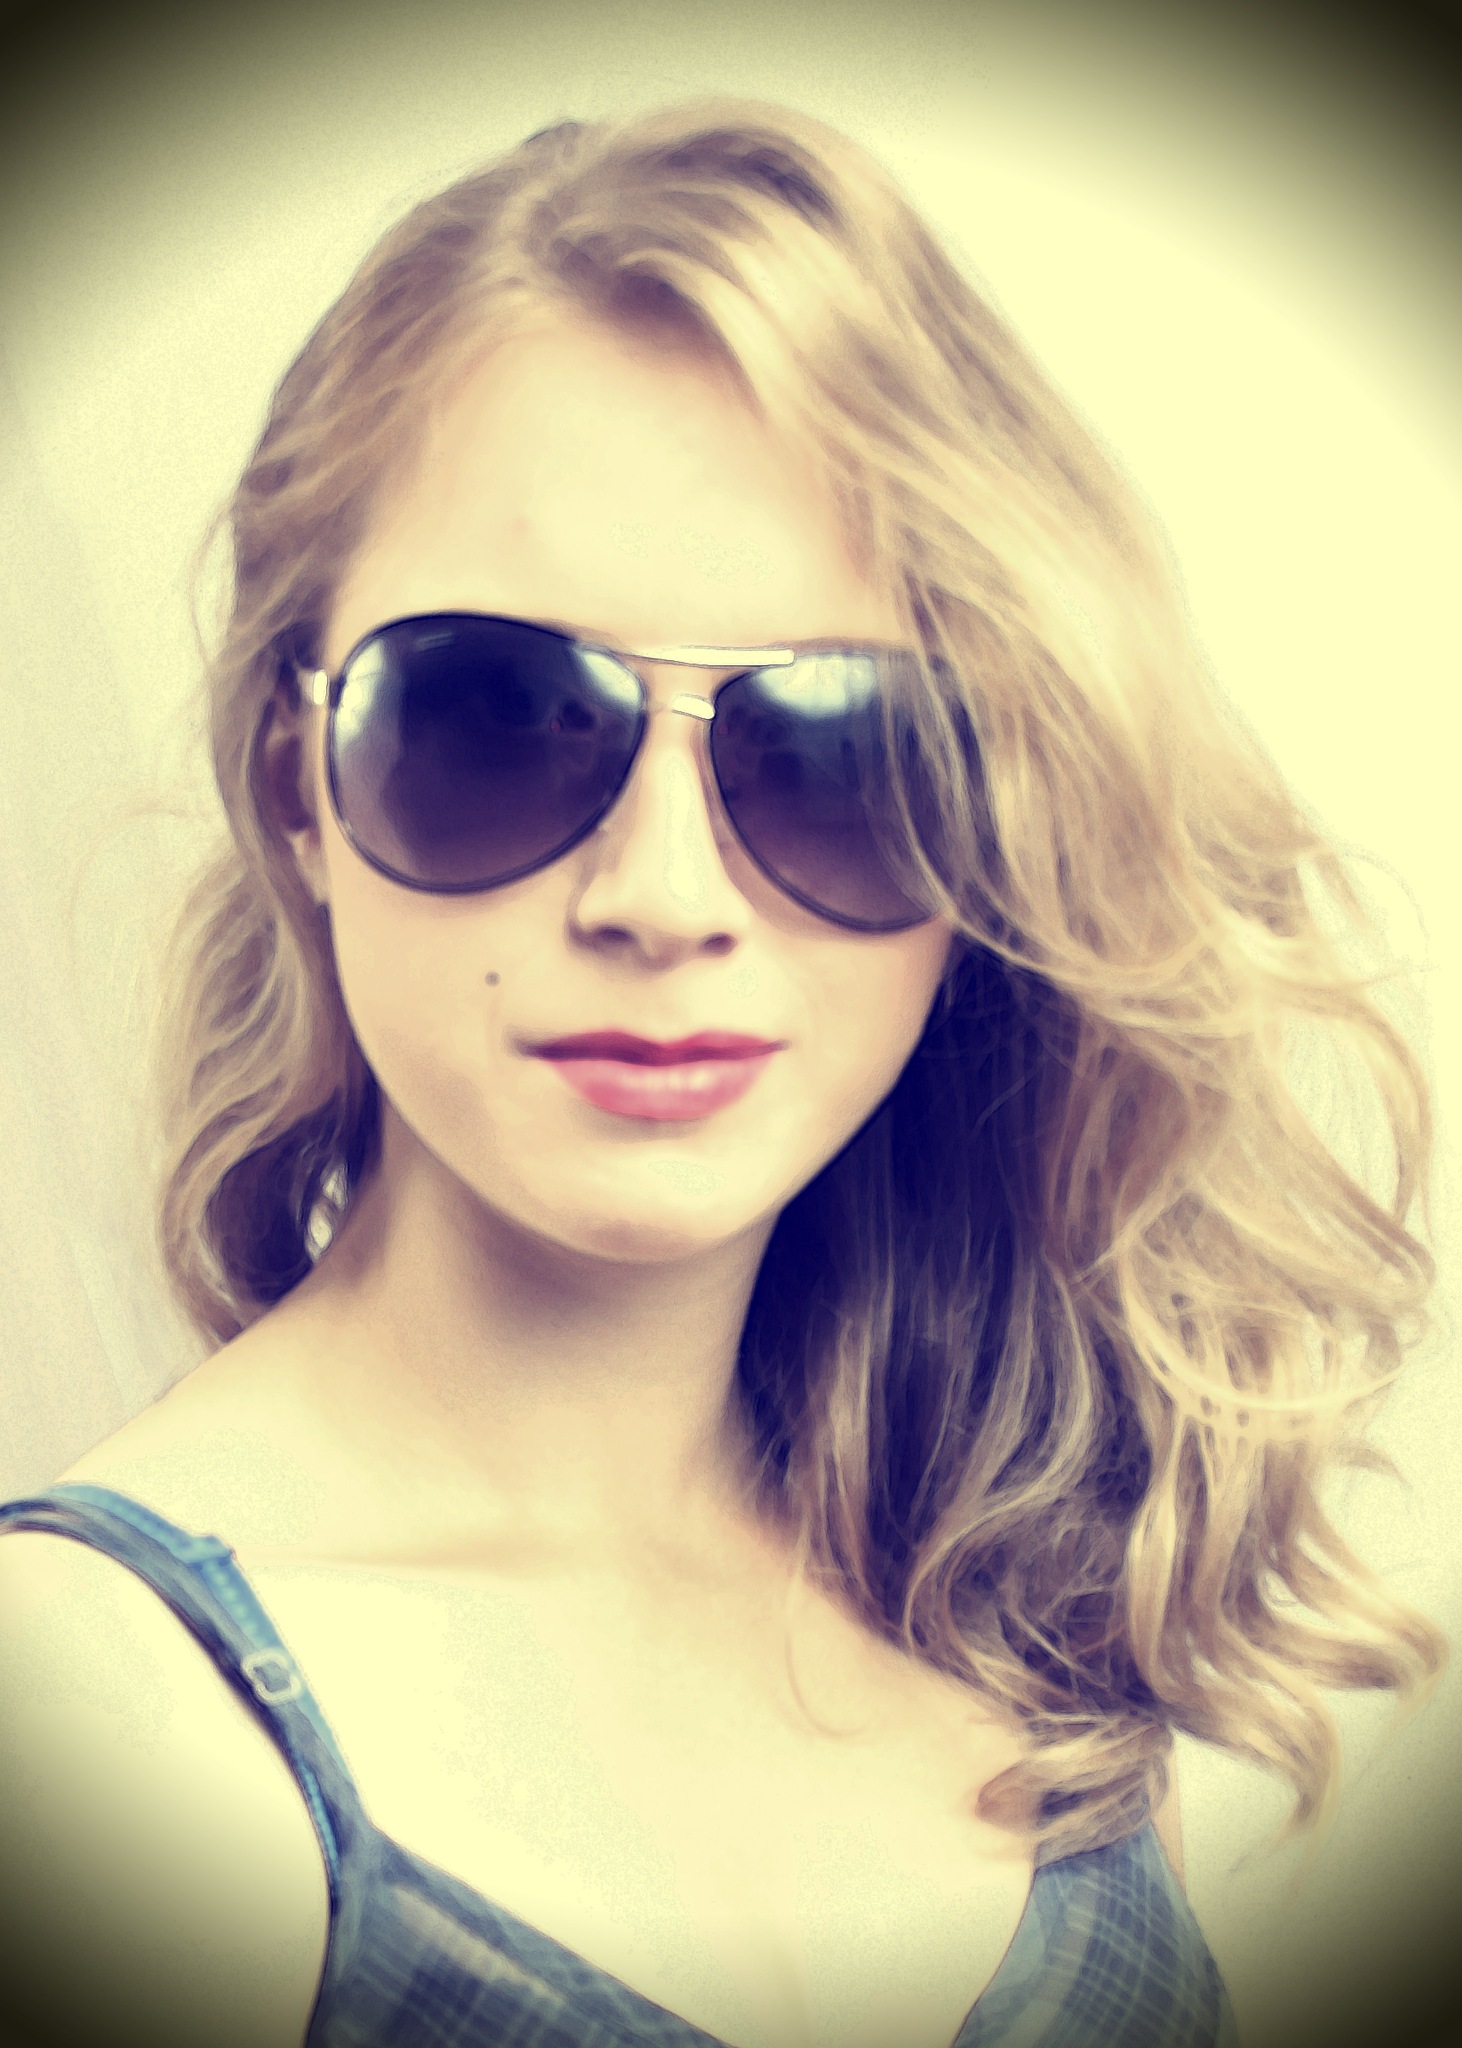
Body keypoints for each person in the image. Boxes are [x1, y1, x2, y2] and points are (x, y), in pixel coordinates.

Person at [0, 97, 1443, 2048]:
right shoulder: (88, 1711)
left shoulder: (1029, 1632)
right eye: (496, 715)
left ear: (989, 837)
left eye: (841, 748)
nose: (663, 898)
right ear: (298, 784)